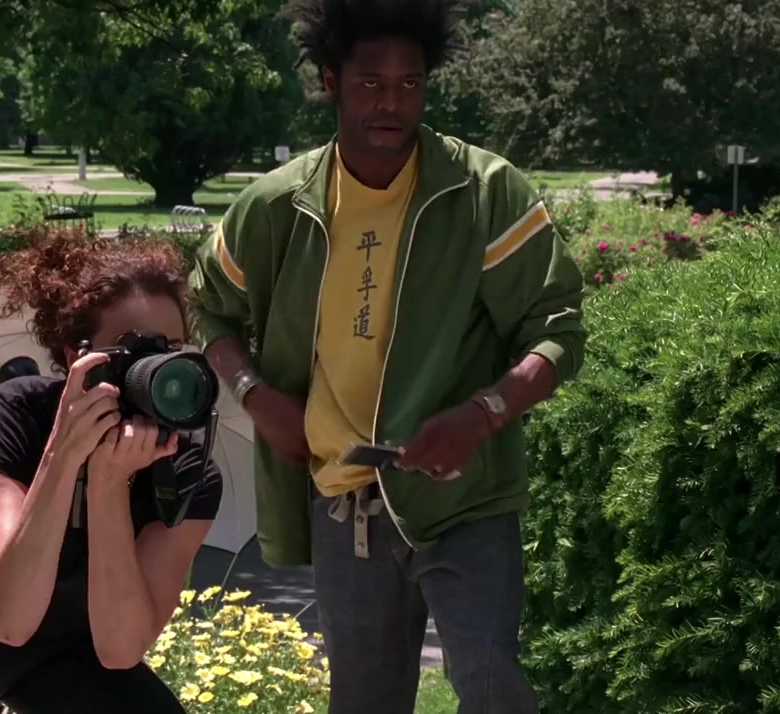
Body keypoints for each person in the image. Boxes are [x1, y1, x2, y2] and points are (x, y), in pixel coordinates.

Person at [187, 0, 587, 712]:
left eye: (410, 84)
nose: (391, 102)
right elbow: (205, 305)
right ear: (331, 82)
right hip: (346, 505)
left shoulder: (483, 191)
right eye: (371, 83)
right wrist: (255, 394)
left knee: (490, 683)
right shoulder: (277, 206)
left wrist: (483, 413)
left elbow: (557, 329)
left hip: (465, 494)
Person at [0, 230, 224, 713]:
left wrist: (108, 487)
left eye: (170, 349)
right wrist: (64, 455)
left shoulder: (187, 470)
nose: (157, 370)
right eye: (133, 351)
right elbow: (10, 620)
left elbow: (119, 650)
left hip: (61, 655)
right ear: (78, 357)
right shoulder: (14, 416)